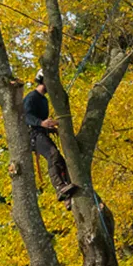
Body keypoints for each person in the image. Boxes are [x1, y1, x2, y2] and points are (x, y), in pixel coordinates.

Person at [23, 71, 78, 204]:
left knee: (60, 160)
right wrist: (41, 123)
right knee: (53, 155)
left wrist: (49, 127)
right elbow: (26, 116)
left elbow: (40, 119)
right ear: (43, 80)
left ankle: (68, 193)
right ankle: (60, 187)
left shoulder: (44, 100)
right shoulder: (31, 97)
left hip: (41, 132)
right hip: (33, 135)